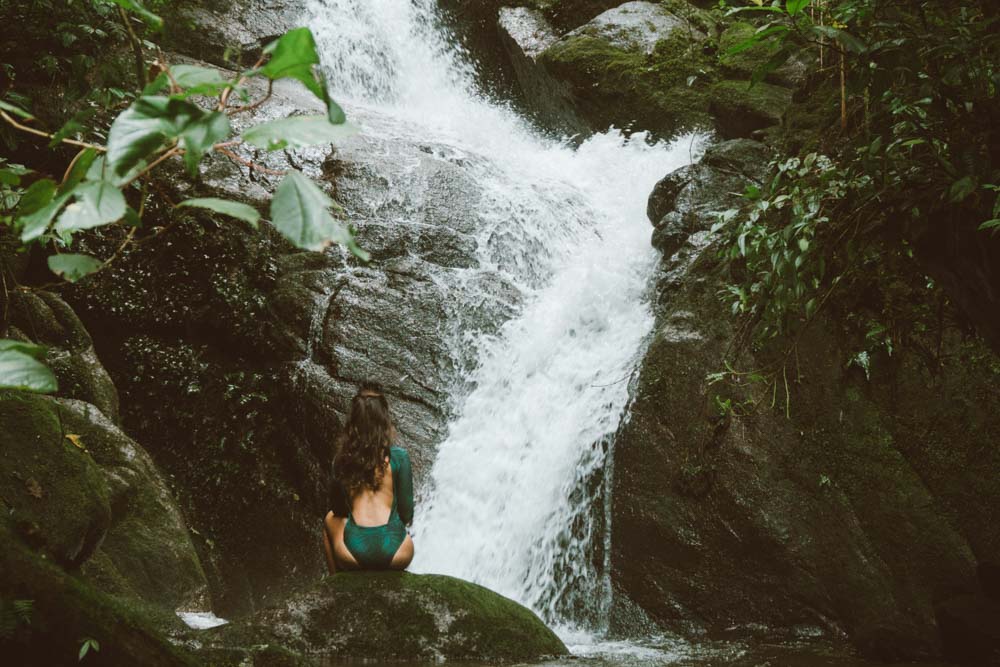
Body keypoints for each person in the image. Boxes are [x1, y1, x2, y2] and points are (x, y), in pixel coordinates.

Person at [322, 382, 415, 572]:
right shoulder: (399, 458)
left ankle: (334, 587)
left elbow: (338, 509)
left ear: (353, 422)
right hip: (397, 552)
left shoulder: (342, 460)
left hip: (354, 553)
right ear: (384, 420)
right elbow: (406, 514)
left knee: (328, 519)